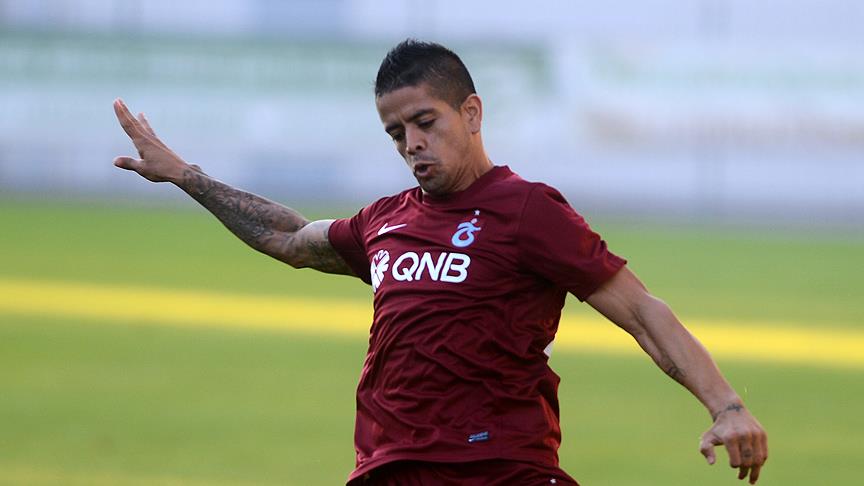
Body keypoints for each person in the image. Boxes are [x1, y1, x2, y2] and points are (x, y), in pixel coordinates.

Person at [113, 39, 768, 485]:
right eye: (396, 132)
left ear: (471, 112)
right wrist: (188, 177)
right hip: (387, 468)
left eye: (426, 122)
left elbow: (641, 310)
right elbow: (288, 239)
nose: (412, 143)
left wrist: (727, 406)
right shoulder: (384, 221)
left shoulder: (527, 211)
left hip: (499, 468)